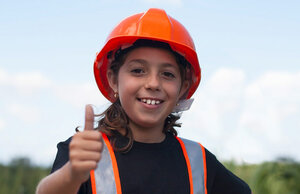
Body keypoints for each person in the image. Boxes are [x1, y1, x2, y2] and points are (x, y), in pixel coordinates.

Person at [36, 8, 251, 194]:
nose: (153, 83)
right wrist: (72, 174)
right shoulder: (84, 153)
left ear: (183, 87)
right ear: (113, 79)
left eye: (167, 74)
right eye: (138, 70)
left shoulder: (199, 160)